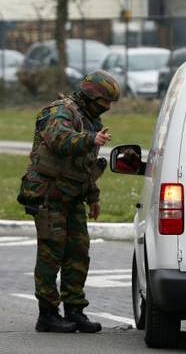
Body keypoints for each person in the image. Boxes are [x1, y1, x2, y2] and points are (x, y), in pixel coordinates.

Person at [17, 71, 120, 333]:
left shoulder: (90, 119)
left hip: (73, 196)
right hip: (50, 195)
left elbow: (84, 165)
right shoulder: (61, 111)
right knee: (51, 253)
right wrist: (90, 139)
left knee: (78, 253)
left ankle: (75, 310)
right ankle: (48, 314)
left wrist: (93, 196)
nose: (105, 109)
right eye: (102, 102)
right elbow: (58, 140)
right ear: (90, 96)